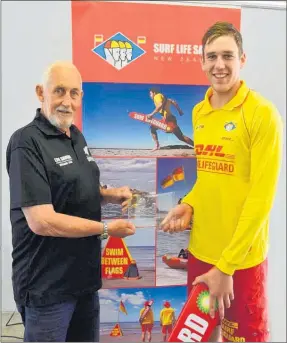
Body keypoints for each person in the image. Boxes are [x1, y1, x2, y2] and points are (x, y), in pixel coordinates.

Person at [161, 21, 283, 342]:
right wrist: (189, 203)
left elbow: (261, 199)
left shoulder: (262, 114)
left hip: (240, 261)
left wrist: (227, 267)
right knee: (202, 336)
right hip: (201, 250)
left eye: (227, 56)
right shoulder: (200, 113)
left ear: (242, 59)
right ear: (201, 62)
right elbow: (209, 178)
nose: (219, 65)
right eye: (211, 57)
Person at [6, 61, 136, 342]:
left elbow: (75, 190)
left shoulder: (76, 137)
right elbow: (42, 221)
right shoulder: (25, 143)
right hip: (47, 287)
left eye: (74, 93)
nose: (67, 101)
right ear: (41, 93)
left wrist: (109, 194)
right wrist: (106, 230)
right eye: (60, 91)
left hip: (85, 282)